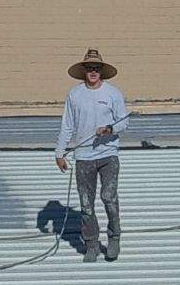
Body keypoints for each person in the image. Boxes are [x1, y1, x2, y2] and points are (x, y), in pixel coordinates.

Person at [56, 48, 131, 262]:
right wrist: (59, 153)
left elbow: (124, 121)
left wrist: (110, 129)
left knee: (108, 197)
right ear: (84, 71)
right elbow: (67, 125)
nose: (93, 71)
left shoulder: (113, 93)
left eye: (96, 68)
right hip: (83, 157)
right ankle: (91, 244)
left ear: (102, 71)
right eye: (89, 68)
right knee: (86, 204)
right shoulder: (75, 94)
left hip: (108, 155)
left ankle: (114, 238)